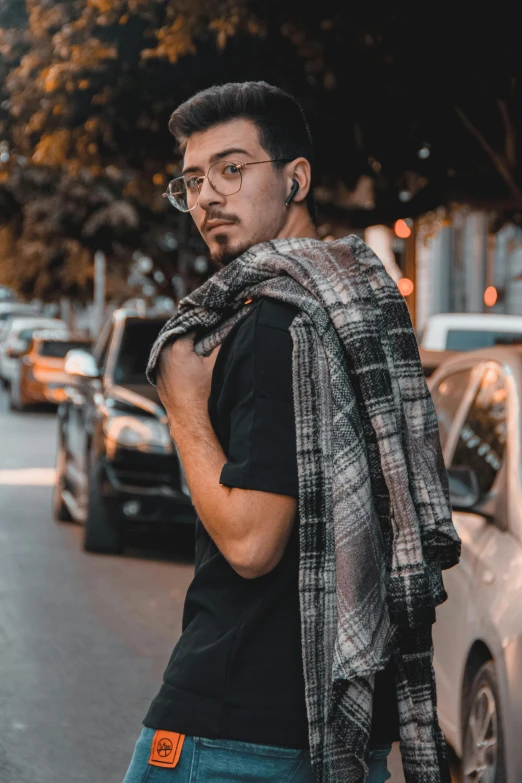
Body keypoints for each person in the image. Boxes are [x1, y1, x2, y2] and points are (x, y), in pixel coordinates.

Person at [123, 82, 459, 783]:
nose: (208, 194)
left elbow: (251, 540)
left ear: (296, 177)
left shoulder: (279, 322)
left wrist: (183, 405)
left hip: (234, 729)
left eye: (232, 168)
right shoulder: (353, 301)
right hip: (341, 721)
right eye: (192, 180)